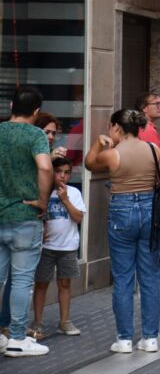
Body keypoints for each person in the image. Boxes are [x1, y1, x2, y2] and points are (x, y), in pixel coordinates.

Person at [84, 109, 160, 354]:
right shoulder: (154, 150)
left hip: (121, 209)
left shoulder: (112, 154)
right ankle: (150, 338)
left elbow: (89, 164)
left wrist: (98, 143)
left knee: (123, 278)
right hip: (149, 210)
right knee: (150, 277)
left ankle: (124, 339)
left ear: (115, 127)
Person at [0, 87, 53, 357]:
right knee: (21, 280)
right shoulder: (36, 135)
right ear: (36, 112)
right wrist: (43, 201)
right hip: (24, 216)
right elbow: (44, 167)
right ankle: (18, 339)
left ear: (10, 106)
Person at [29, 156, 86, 339]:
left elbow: (78, 218)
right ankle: (37, 322)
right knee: (41, 284)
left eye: (67, 173)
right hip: (46, 247)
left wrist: (66, 200)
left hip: (68, 246)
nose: (62, 176)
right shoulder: (43, 191)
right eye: (59, 172)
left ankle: (64, 321)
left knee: (65, 283)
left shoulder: (74, 193)